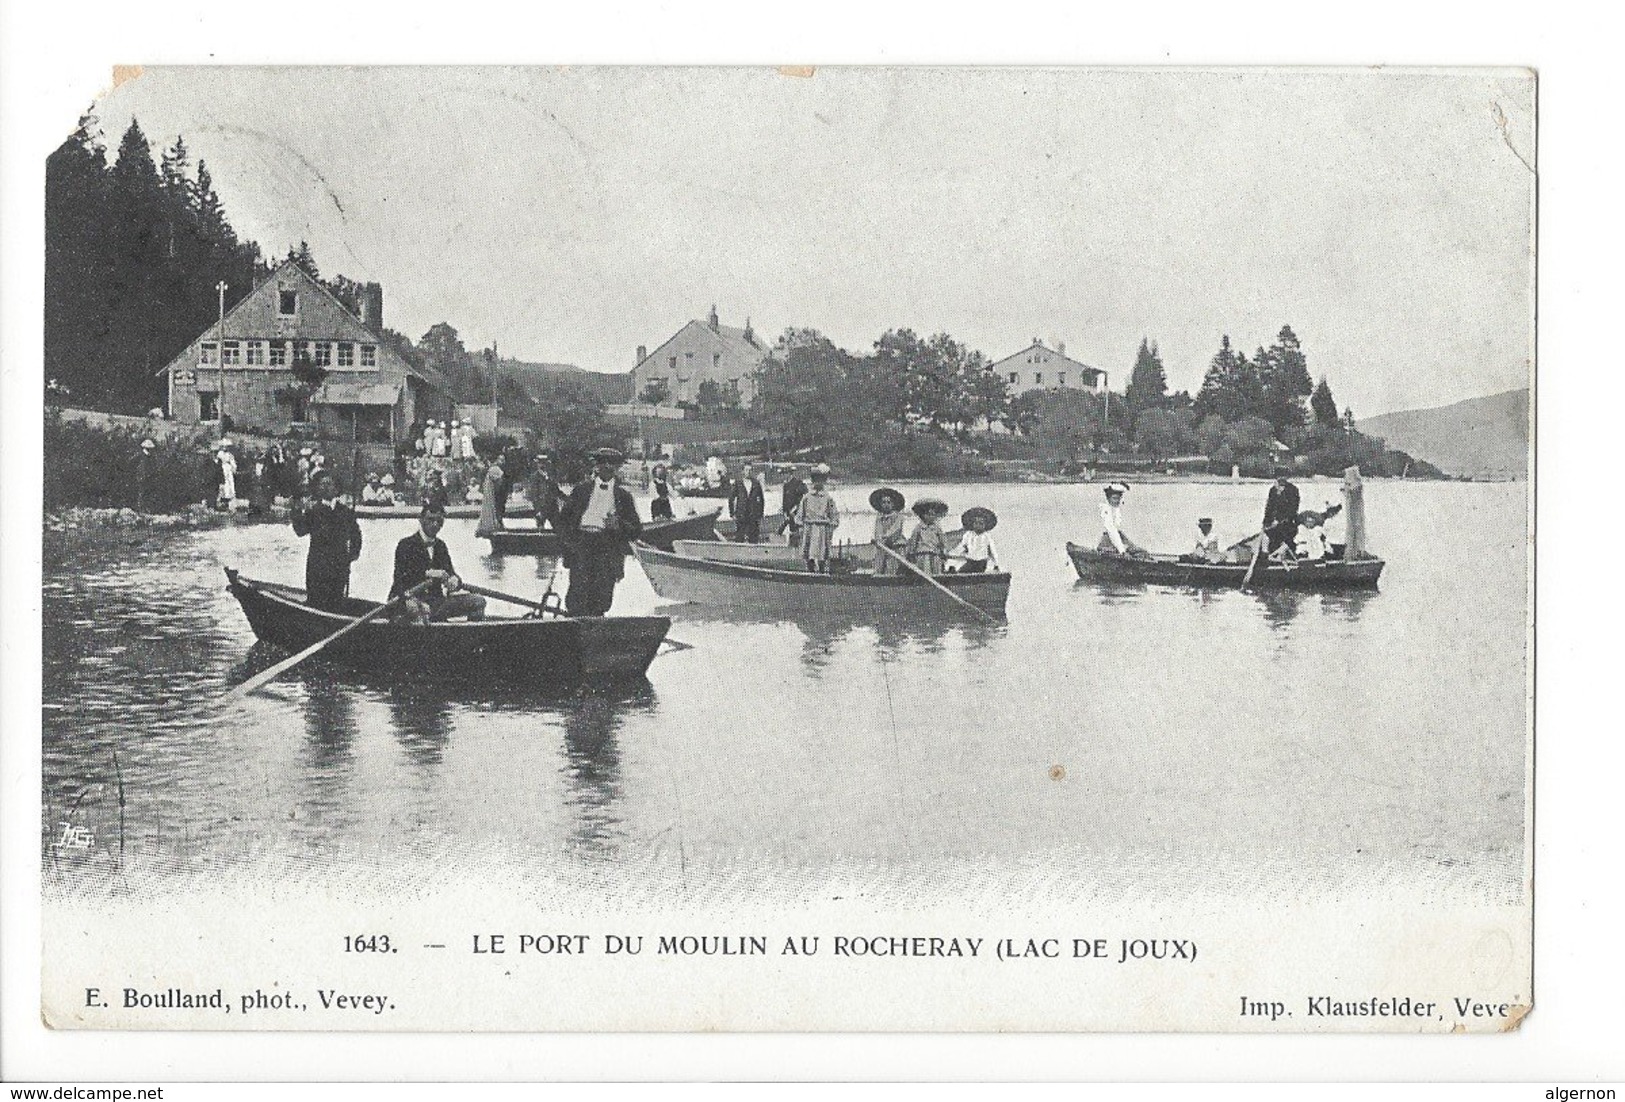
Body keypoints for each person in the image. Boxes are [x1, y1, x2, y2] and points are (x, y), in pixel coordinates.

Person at [558, 446, 643, 616]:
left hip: (607, 546)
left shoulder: (623, 497)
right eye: (602, 462)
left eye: (611, 463)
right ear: (596, 466)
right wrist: (570, 544)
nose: (607, 467)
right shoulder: (581, 490)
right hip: (582, 543)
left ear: (617, 467)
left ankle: (597, 628)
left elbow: (636, 530)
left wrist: (619, 525)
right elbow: (563, 521)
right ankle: (575, 626)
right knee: (578, 591)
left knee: (602, 593)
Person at [390, 503, 486, 625]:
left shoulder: (440, 546)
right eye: (430, 519)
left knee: (479, 601)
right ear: (421, 520)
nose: (435, 524)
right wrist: (427, 573)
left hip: (435, 603)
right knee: (418, 611)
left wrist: (454, 580)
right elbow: (399, 580)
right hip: (408, 601)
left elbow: (450, 572)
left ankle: (470, 637)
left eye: (439, 521)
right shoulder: (405, 544)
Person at [291, 470, 363, 611]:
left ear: (336, 488)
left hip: (339, 567)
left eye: (329, 484)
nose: (325, 487)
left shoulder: (345, 512)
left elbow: (356, 535)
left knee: (336, 601)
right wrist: (296, 511)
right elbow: (300, 530)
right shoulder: (313, 511)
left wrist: (352, 556)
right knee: (316, 602)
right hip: (317, 567)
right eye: (322, 484)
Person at [792, 465, 840, 572]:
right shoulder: (807, 498)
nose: (818, 483)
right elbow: (800, 514)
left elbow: (834, 515)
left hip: (823, 529)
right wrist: (800, 525)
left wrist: (832, 525)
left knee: (822, 553)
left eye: (821, 480)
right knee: (808, 552)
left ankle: (822, 570)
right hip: (809, 528)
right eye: (816, 480)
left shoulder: (828, 498)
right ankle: (810, 570)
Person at [1096, 482, 1148, 558]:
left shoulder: (1116, 509)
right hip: (1106, 540)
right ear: (1108, 498)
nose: (1116, 501)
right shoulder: (1105, 509)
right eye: (1114, 498)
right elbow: (1111, 530)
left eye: (1118, 498)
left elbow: (1117, 531)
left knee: (1140, 551)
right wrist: (1122, 551)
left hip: (1117, 537)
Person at [948, 506, 1000, 573]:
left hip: (981, 562)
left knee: (976, 572)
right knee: (960, 571)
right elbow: (961, 547)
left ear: (985, 525)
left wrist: (996, 565)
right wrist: (953, 559)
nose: (978, 525)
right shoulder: (968, 535)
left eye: (981, 523)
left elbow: (992, 552)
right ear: (972, 524)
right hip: (970, 561)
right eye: (976, 523)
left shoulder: (986, 537)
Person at [905, 497, 950, 574]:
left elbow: (943, 541)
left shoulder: (937, 528)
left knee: (936, 570)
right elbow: (913, 541)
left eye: (933, 515)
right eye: (928, 514)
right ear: (922, 515)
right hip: (922, 553)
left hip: (935, 553)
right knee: (924, 570)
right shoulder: (919, 528)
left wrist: (944, 551)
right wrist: (911, 552)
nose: (930, 517)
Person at [869, 487, 908, 575]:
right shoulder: (879, 517)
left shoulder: (898, 516)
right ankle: (879, 576)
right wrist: (879, 539)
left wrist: (886, 537)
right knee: (879, 562)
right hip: (882, 545)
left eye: (889, 502)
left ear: (893, 504)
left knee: (892, 565)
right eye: (883, 502)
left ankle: (891, 577)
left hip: (895, 545)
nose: (886, 505)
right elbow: (878, 530)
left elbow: (896, 529)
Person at [1263, 469, 1301, 555]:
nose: (1281, 479)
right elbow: (1269, 507)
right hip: (1274, 524)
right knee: (1266, 536)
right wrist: (1266, 522)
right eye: (1279, 477)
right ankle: (1265, 556)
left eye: (1284, 476)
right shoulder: (1273, 490)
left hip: (1288, 523)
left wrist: (1279, 520)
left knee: (1287, 534)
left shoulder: (1293, 490)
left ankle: (1279, 554)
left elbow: (1293, 509)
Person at [728, 463, 767, 543]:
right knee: (739, 537)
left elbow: (761, 500)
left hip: (753, 515)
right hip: (741, 514)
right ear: (743, 471)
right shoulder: (738, 483)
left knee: (753, 537)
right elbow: (731, 499)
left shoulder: (756, 483)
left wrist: (760, 514)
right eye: (746, 470)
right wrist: (732, 514)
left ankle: (753, 554)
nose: (748, 472)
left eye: (750, 470)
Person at [528, 453, 564, 530]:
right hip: (542, 506)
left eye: (544, 463)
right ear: (537, 464)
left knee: (558, 527)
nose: (542, 465)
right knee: (540, 528)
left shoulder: (551, 476)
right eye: (540, 463)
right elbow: (534, 495)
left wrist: (565, 498)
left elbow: (556, 489)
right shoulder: (534, 477)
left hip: (552, 506)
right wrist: (537, 509)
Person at [779, 467, 808, 546]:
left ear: (789, 473)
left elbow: (804, 497)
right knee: (791, 532)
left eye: (783, 474)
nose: (782, 476)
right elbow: (785, 501)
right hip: (789, 515)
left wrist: (795, 510)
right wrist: (784, 511)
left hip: (797, 514)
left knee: (797, 533)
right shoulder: (785, 486)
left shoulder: (798, 483)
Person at [213, 441, 237, 511]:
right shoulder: (220, 453)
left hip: (228, 470)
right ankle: (222, 502)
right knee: (223, 485)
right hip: (222, 468)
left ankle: (228, 502)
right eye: (223, 446)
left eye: (226, 447)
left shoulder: (230, 454)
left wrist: (233, 467)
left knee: (229, 485)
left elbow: (233, 463)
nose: (225, 448)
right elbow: (216, 461)